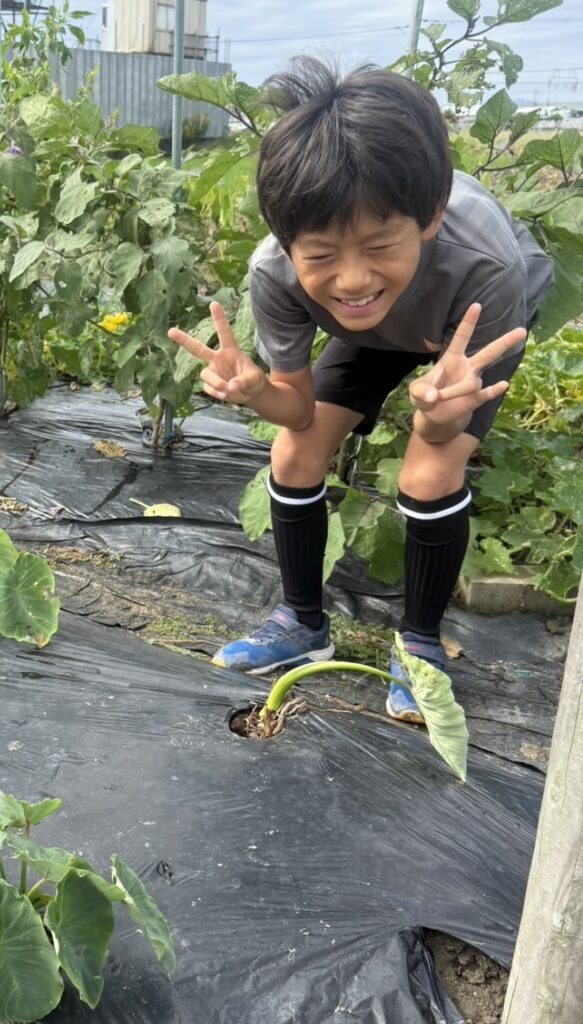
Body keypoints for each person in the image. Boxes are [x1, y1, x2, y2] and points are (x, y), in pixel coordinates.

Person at [168, 58, 554, 724]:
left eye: (378, 245)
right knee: (292, 454)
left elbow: (438, 432)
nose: (351, 279)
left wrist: (432, 419)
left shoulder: (487, 264)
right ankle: (301, 622)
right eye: (321, 256)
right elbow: (295, 410)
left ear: (430, 216)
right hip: (374, 330)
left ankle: (421, 646)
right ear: (287, 242)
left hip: (464, 327)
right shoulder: (275, 272)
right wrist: (256, 392)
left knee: (428, 473)